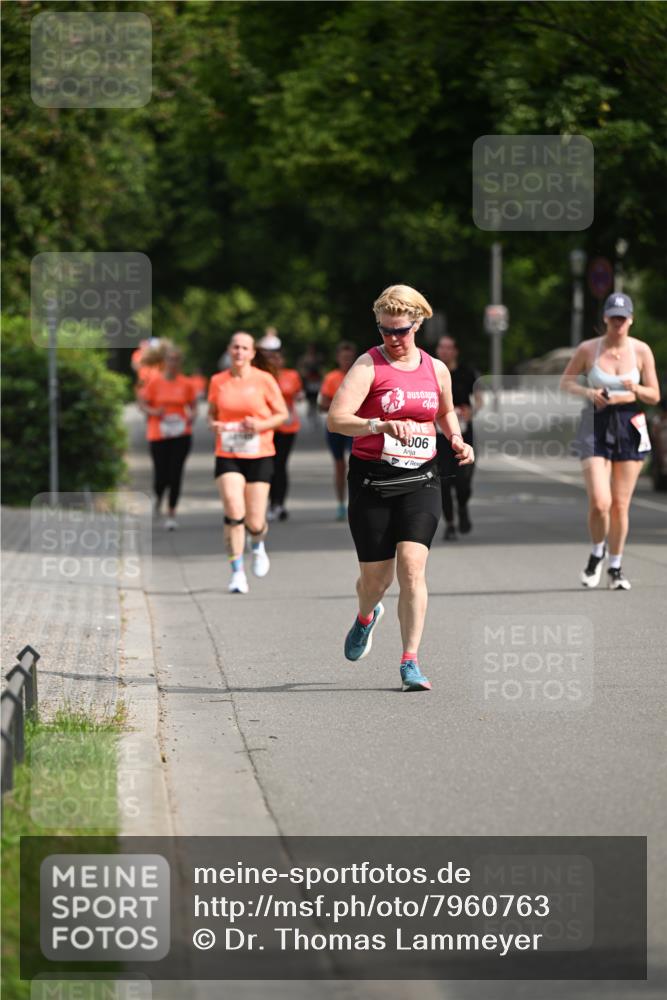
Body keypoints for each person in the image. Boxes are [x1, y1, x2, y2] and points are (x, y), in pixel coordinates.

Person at [327, 285, 474, 691]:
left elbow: (445, 411)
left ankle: (410, 661)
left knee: (412, 568)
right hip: (372, 480)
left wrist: (457, 439)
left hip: (421, 480)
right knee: (376, 582)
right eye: (385, 330)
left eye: (401, 331)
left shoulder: (435, 369)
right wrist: (377, 424)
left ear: (418, 325)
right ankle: (366, 616)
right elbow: (337, 419)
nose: (393, 339)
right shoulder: (368, 366)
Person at [560, 292, 659, 590]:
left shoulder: (641, 351)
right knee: (600, 503)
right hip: (595, 421)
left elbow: (654, 395)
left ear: (630, 320)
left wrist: (637, 388)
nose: (618, 323)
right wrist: (590, 393)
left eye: (623, 318)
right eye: (613, 318)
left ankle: (615, 567)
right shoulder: (589, 349)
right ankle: (596, 552)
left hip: (629, 422)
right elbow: (566, 382)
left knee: (620, 505)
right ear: (605, 318)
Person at [208, 331, 288, 594]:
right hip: (228, 453)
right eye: (235, 347)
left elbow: (282, 415)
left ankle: (258, 544)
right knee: (233, 510)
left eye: (245, 348)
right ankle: (237, 572)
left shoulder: (264, 380)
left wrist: (260, 424)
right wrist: (216, 426)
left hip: (259, 453)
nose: (239, 352)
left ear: (252, 353)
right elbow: (211, 415)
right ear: (229, 351)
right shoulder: (218, 381)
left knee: (255, 522)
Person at [139, 345, 198, 530]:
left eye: (176, 360)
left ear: (180, 363)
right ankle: (158, 497)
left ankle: (171, 512)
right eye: (169, 359)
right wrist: (154, 411)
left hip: (181, 433)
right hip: (158, 434)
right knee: (161, 474)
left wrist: (192, 416)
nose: (173, 363)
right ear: (164, 362)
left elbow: (194, 406)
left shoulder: (187, 383)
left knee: (176, 473)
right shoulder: (154, 382)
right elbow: (142, 403)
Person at [433, 335, 480, 540]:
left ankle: (462, 506)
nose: (445, 351)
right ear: (437, 350)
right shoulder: (430, 372)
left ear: (455, 351)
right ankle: (450, 524)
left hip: (463, 433)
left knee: (463, 481)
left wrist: (472, 411)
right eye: (442, 347)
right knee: (443, 481)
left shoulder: (466, 373)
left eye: (449, 348)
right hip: (438, 435)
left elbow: (479, 399)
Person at [256, 337, 304, 522]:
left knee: (280, 465)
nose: (275, 361)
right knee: (267, 466)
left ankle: (279, 504)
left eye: (278, 357)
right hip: (267, 427)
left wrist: (298, 396)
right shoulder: (262, 377)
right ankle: (266, 503)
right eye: (271, 358)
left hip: (287, 427)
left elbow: (298, 393)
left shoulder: (291, 375)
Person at [319, 342, 357, 520]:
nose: (346, 361)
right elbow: (322, 404)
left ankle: (354, 502)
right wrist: (339, 405)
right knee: (339, 466)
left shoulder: (359, 375)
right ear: (338, 359)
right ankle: (341, 503)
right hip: (335, 427)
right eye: (343, 358)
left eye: (349, 358)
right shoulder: (331, 377)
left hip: (353, 425)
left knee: (354, 465)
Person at [297, 343, 324, 429]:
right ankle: (310, 416)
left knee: (316, 400)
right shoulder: (304, 358)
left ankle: (316, 417)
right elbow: (300, 368)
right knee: (309, 400)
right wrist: (304, 374)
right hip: (308, 382)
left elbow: (322, 368)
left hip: (316, 381)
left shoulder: (318, 357)